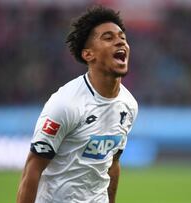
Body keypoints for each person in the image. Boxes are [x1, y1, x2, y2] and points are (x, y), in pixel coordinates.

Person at [16, 5, 138, 203]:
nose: (120, 42)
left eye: (122, 37)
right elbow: (33, 168)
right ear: (88, 54)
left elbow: (112, 163)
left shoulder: (129, 105)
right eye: (108, 38)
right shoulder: (65, 104)